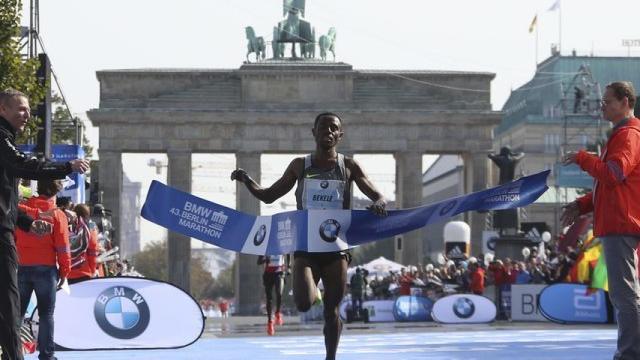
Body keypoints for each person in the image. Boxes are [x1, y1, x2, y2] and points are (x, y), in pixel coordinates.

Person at [232, 112, 386, 360]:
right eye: (323, 127)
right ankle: (316, 290)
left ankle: (330, 358)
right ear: (313, 132)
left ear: (340, 135)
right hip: (305, 246)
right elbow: (269, 195)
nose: (328, 131)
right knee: (303, 302)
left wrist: (379, 202)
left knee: (331, 311)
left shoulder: (349, 166)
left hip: (336, 247)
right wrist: (247, 180)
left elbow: (377, 195)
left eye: (333, 128)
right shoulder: (299, 165)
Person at [0, 89, 89, 360]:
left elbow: (5, 198)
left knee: (12, 302)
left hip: (13, 237)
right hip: (18, 249)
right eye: (21, 108)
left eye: (28, 109)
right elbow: (22, 165)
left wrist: (26, 222)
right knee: (11, 303)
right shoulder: (2, 138)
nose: (27, 114)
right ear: (2, 109)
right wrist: (66, 167)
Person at [561, 81, 640, 360]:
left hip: (621, 225)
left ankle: (630, 353)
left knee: (624, 295)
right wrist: (582, 204)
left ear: (625, 102)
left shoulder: (628, 135)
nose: (602, 105)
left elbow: (614, 174)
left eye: (607, 101)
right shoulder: (622, 134)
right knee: (623, 294)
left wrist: (584, 158)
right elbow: (613, 185)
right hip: (619, 222)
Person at [15, 180, 70, 360]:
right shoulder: (57, 214)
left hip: (21, 267)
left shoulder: (22, 208)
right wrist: (65, 271)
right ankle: (46, 355)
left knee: (17, 313)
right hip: (46, 270)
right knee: (46, 314)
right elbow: (63, 247)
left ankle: (12, 351)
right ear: (56, 193)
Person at [257, 254, 289, 335]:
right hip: (268, 274)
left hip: (279, 273)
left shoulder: (281, 245)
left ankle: (277, 313)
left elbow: (288, 253)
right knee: (269, 299)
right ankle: (270, 322)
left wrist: (289, 267)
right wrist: (265, 260)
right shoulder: (266, 247)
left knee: (279, 293)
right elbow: (259, 262)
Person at [67, 204, 99, 284]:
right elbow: (92, 251)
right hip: (83, 272)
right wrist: (93, 270)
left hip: (67, 273)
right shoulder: (89, 228)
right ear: (87, 215)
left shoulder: (67, 226)